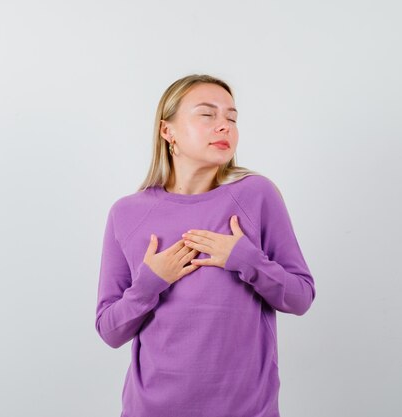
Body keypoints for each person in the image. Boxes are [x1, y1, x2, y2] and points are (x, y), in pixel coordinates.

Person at [94, 74, 316, 417]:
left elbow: (301, 297)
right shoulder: (127, 213)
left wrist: (245, 259)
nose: (224, 126)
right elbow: (110, 330)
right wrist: (150, 284)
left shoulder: (256, 195)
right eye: (207, 114)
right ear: (168, 131)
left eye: (231, 117)